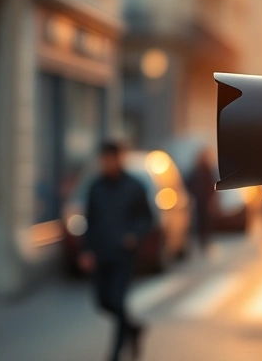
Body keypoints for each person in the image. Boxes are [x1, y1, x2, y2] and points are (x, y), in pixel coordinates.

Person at [79, 141, 152, 361]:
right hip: (101, 253)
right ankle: (134, 329)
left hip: (123, 255)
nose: (107, 163)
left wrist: (133, 235)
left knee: (118, 301)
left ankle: (115, 354)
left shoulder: (134, 186)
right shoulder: (95, 187)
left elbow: (146, 218)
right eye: (104, 159)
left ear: (120, 159)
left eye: (111, 159)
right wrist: (86, 250)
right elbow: (89, 220)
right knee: (103, 302)